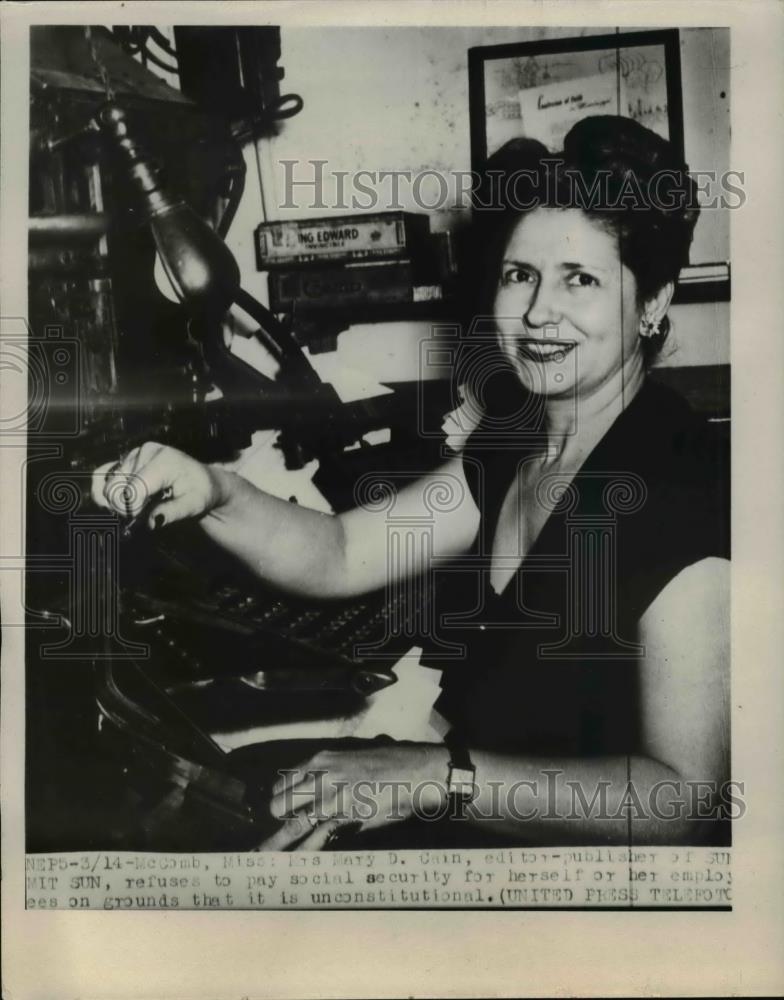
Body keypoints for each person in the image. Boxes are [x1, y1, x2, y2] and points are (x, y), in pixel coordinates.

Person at [95, 116, 730, 849]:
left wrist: (435, 776)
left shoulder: (687, 488)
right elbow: (341, 551)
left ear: (651, 304)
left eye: (579, 279)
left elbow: (682, 802)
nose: (534, 313)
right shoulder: (518, 437)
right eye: (520, 274)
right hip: (484, 822)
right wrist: (212, 490)